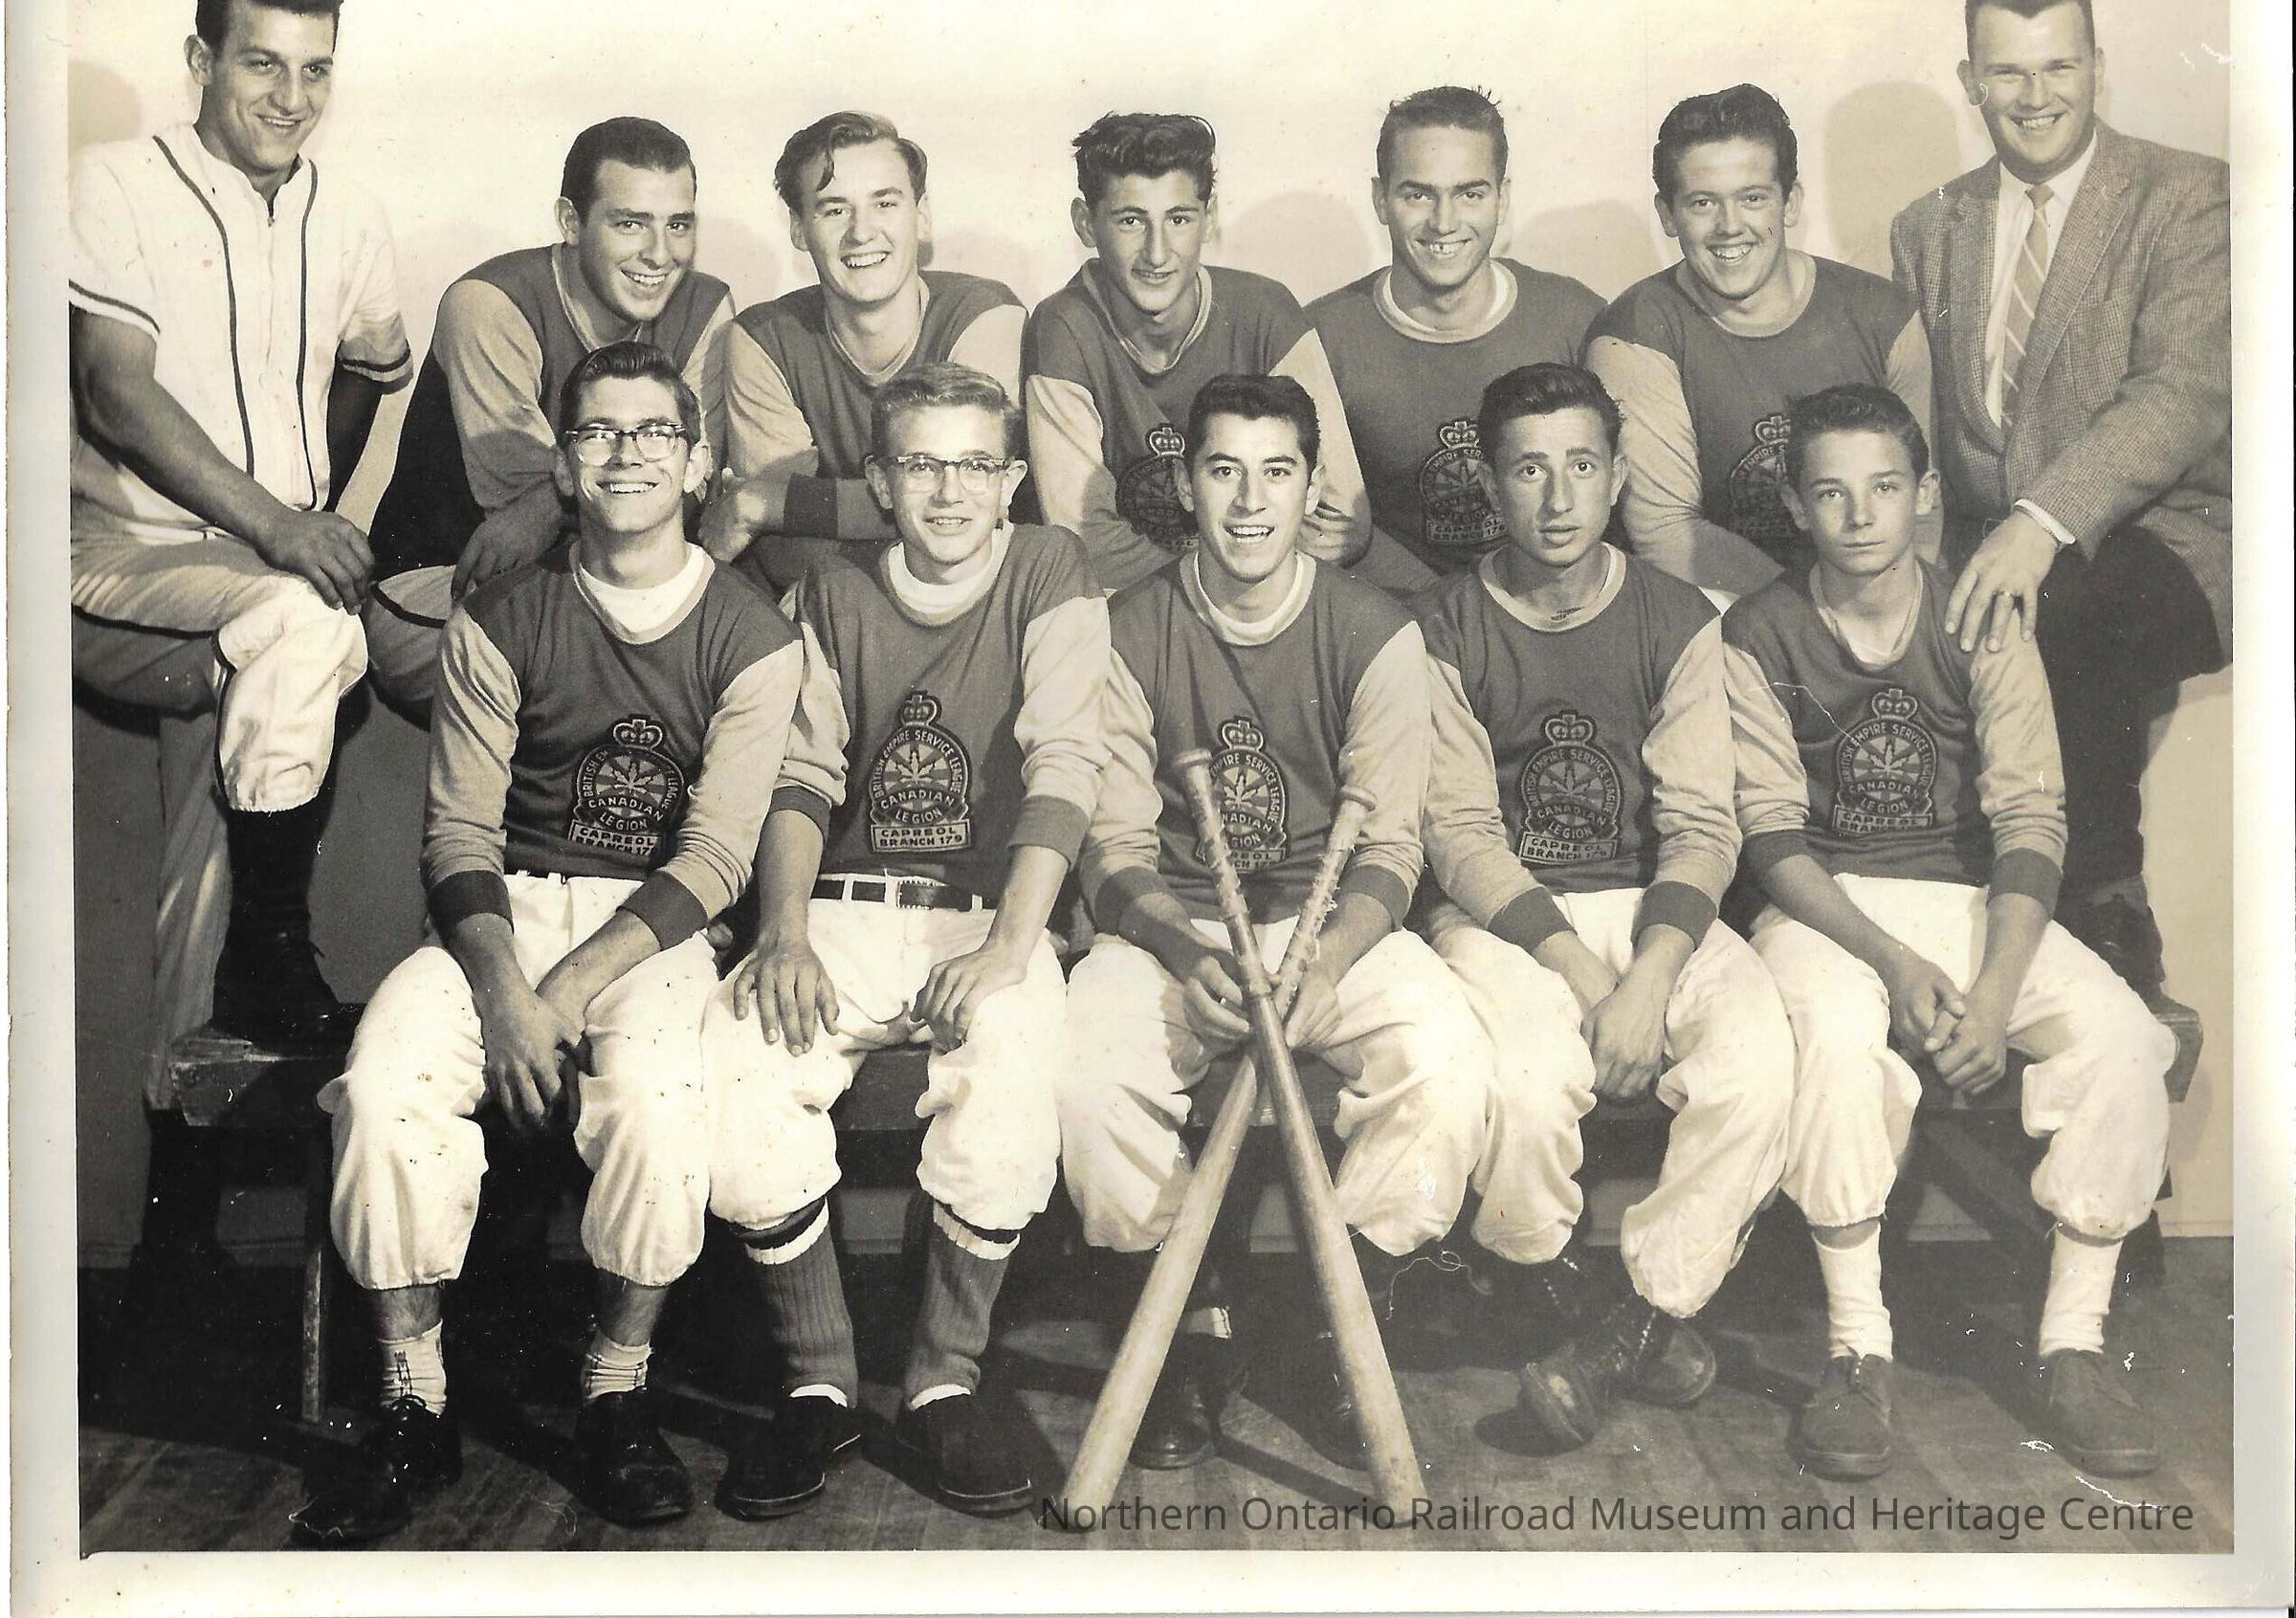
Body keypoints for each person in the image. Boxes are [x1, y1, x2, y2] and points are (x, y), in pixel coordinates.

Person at [296, 343, 805, 1543]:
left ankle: (615, 1393)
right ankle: (415, 1401)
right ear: (564, 466)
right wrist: (506, 989)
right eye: (597, 432)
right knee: (381, 1084)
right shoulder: (501, 615)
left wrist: (562, 992)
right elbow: (458, 835)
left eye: (654, 431)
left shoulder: (754, 633)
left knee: (664, 1103)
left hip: (652, 931)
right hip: (503, 913)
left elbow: (715, 856)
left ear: (699, 462)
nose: (627, 453)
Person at [1721, 383, 2175, 1482]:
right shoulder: (1755, 630)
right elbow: (1771, 837)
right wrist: (1895, 962)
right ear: (1796, 504)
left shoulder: (1980, 613)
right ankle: (1857, 1349)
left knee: (2123, 1038)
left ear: (1925, 493)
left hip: (1968, 900)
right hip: (1824, 906)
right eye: (1831, 492)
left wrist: (1994, 990)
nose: (1860, 514)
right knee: (1834, 1040)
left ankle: (2072, 1343)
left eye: (1884, 486)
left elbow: (2031, 819)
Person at [1055, 373, 1489, 1473]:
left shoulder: (1376, 630)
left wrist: (1327, 959)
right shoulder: (1127, 629)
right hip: (1176, 928)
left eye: (1277, 471)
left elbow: (1391, 849)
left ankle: (1328, 1319)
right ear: (1185, 487)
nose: (1250, 501)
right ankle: (1188, 1319)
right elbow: (1110, 848)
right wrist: (1184, 949)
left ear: (1312, 487)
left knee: (1446, 1061)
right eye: (1224, 470)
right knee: (1088, 1071)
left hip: (1329, 927)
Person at [701, 363, 1107, 1519]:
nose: (948, 489)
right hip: (842, 903)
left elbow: (1065, 763)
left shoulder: (1049, 568)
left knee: (1014, 1063)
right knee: (741, 1052)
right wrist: (782, 931)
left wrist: (1011, 947)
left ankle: (941, 1379)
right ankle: (820, 1381)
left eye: (975, 463)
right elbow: (801, 776)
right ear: (879, 481)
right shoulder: (830, 589)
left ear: (1012, 478)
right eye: (921, 463)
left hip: (988, 909)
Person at [70, 0, 411, 1183]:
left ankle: (180, 1207)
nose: (289, 95)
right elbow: (114, 392)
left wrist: (311, 502)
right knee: (310, 624)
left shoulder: (349, 209)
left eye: (316, 68)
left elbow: (375, 362)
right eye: (261, 61)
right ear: (201, 59)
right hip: (123, 559)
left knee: (202, 868)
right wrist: (285, 525)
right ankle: (278, 954)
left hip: (254, 589)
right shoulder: (114, 179)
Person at [1415, 363, 1794, 1452]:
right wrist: (1588, 978)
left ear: (1620, 475)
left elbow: (1703, 824)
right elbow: (1461, 835)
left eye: (1582, 465)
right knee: (1529, 1079)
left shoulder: (1678, 616)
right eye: (1528, 469)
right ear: (1490, 486)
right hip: (1506, 918)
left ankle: (1633, 1324)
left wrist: (1650, 974)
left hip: (1654, 909)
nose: (1558, 496)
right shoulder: (1438, 624)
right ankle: (1549, 1286)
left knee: (1759, 1061)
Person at [1889, 0, 2231, 998]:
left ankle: (2105, 902)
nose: (2036, 96)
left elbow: (2181, 393)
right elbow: (1920, 421)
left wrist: (2040, 523)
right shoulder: (1927, 225)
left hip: (2169, 534)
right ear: (1970, 81)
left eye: (2059, 67)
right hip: (1988, 537)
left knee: (2060, 609)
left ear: (2098, 69)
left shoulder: (2187, 194)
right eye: (2008, 72)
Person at [364, 116, 734, 713]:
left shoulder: (705, 304)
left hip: (598, 577)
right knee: (627, 663)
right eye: (630, 224)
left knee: (743, 642)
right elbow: (523, 523)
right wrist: (552, 503)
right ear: (570, 222)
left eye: (678, 224)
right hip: (442, 581)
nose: (659, 254)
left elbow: (691, 487)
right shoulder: (490, 303)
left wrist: (547, 503)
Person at [1587, 84, 1934, 597]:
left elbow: (1920, 509)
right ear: (1667, 214)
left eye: (1752, 198)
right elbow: (1666, 531)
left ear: (1789, 202)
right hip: (1722, 607)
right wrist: (1809, 620)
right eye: (1702, 203)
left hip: (1872, 601)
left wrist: (1896, 612)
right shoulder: (1635, 333)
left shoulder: (1883, 314)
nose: (1730, 227)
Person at [1023, 112, 1370, 594]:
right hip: (1143, 604)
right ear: (1086, 224)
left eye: (1179, 219)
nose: (1157, 253)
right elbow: (1088, 542)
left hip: (1245, 596)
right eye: (1130, 221)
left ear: (1210, 219)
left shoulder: (1266, 311)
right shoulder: (1062, 326)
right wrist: (1237, 570)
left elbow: (1342, 519)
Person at [697, 112, 1025, 595]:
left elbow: (974, 506)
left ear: (922, 214)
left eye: (885, 203)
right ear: (798, 228)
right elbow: (784, 547)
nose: (862, 232)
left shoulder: (983, 315)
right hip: (828, 607)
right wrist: (782, 509)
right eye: (834, 210)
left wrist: (771, 504)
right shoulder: (763, 337)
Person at [1308, 87, 1605, 592]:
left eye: (1470, 194)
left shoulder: (1574, 318)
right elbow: (1327, 537)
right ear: (1380, 199)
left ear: (1502, 198)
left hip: (1550, 608)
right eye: (1418, 194)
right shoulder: (1322, 338)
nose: (1444, 222)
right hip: (1399, 613)